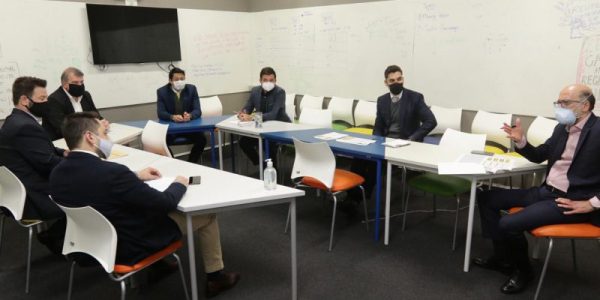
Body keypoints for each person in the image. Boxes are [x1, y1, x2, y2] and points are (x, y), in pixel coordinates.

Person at [50, 112, 239, 297]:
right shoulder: (113, 172)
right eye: (105, 133)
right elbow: (164, 203)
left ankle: (159, 266)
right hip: (129, 246)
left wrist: (135, 176)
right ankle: (216, 278)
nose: (109, 139)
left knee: (133, 208)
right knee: (207, 215)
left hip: (87, 245)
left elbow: (95, 186)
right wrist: (179, 183)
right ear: (90, 137)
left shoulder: (57, 173)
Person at [473, 83, 600, 294]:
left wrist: (592, 203)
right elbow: (541, 154)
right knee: (487, 197)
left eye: (565, 102)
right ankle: (502, 259)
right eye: (558, 102)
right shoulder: (562, 128)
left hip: (571, 201)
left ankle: (524, 272)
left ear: (585, 106)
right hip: (546, 191)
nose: (559, 107)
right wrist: (521, 141)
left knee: (509, 223)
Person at [348, 65, 437, 201]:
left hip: (406, 144)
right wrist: (374, 143)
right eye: (392, 80)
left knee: (373, 164)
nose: (396, 83)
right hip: (385, 142)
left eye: (399, 79)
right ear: (386, 83)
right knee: (359, 157)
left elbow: (431, 121)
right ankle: (351, 195)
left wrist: (412, 138)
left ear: (403, 78)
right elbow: (378, 126)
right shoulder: (382, 100)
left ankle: (358, 201)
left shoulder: (415, 98)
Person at [0, 76, 67, 252]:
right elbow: (48, 163)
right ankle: (56, 238)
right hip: (36, 196)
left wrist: (64, 152)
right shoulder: (24, 127)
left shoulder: (14, 120)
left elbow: (43, 150)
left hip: (19, 190)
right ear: (24, 100)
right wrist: (79, 163)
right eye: (42, 99)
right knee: (91, 189)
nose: (46, 103)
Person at [238, 67, 290, 166]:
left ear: (275, 80)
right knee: (243, 142)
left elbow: (273, 114)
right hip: (261, 127)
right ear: (260, 81)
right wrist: (243, 113)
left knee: (269, 146)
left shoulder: (280, 92)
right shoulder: (255, 91)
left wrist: (252, 117)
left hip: (278, 127)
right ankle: (260, 164)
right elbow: (248, 107)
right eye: (265, 80)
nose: (268, 83)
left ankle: (274, 173)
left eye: (271, 80)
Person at [43, 67, 109, 140]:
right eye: (75, 82)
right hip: (62, 141)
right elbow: (62, 128)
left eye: (82, 82)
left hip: (86, 137)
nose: (80, 85)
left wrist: (102, 122)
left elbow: (96, 116)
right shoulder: (54, 100)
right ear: (65, 84)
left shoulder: (86, 95)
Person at [156, 67, 207, 163]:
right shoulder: (162, 92)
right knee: (161, 142)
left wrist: (190, 115)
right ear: (170, 81)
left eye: (182, 79)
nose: (180, 81)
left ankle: (191, 163)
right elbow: (160, 113)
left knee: (202, 139)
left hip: (189, 127)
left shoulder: (191, 89)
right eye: (176, 79)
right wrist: (172, 117)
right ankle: (175, 164)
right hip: (171, 129)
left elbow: (197, 110)